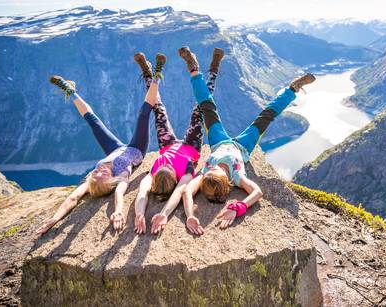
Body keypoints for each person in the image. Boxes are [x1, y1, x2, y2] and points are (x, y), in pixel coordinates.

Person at [178, 46, 315, 235]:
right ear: (227, 182)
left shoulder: (205, 176)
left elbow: (186, 192)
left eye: (212, 171)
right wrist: (239, 207)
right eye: (218, 172)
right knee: (266, 116)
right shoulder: (237, 177)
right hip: (243, 146)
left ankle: (194, 70)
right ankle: (293, 89)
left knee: (207, 106)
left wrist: (190, 215)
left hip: (218, 141)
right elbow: (257, 192)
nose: (215, 168)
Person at [34, 55, 159, 235]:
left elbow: (74, 197)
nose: (99, 171)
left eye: (96, 173)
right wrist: (118, 211)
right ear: (111, 180)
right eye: (102, 175)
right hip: (136, 149)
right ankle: (156, 76)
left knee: (93, 121)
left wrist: (56, 218)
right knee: (143, 114)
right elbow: (119, 194)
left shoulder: (93, 180)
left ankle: (70, 90)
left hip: (114, 149)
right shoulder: (121, 174)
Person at [132, 48, 225, 235]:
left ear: (156, 176)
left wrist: (139, 214)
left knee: (158, 108)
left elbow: (142, 193)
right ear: (175, 178)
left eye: (162, 171)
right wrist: (165, 213)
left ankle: (148, 74)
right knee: (201, 109)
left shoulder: (155, 172)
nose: (166, 167)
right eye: (170, 172)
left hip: (167, 145)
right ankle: (211, 70)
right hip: (191, 146)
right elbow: (180, 192)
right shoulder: (187, 172)